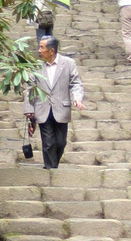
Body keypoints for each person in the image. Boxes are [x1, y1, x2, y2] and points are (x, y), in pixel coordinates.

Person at [23, 35, 85, 169]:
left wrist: (77, 98)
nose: (39, 50)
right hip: (42, 108)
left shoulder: (68, 63)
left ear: (51, 51)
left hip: (61, 109)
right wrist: (29, 109)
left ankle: (53, 166)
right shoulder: (36, 65)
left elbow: (76, 83)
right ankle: (51, 170)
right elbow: (30, 87)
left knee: (61, 143)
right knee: (48, 143)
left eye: (42, 47)